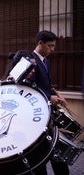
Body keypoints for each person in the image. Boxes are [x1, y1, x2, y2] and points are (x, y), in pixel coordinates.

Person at [30, 30, 69, 175]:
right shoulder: (31, 60)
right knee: (44, 151)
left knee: (55, 149)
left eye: (54, 46)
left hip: (47, 111)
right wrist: (49, 97)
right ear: (40, 43)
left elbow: (44, 85)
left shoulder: (44, 60)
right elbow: (30, 88)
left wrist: (55, 95)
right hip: (38, 114)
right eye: (50, 46)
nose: (52, 50)